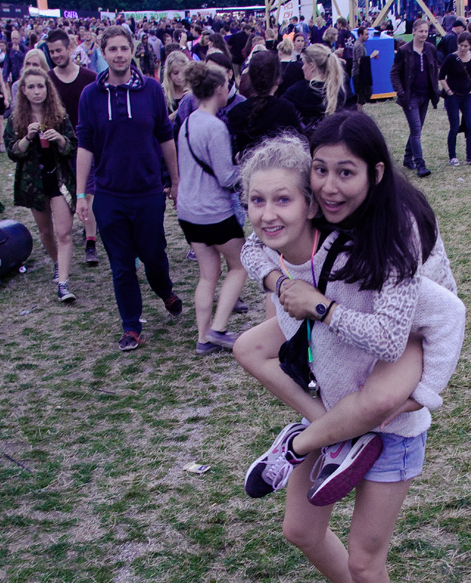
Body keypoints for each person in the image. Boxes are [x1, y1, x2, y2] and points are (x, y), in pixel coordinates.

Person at [236, 121, 464, 582]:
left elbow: (430, 319)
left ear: (374, 173)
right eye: (321, 170)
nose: (330, 186)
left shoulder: (385, 241)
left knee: (365, 559)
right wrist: (282, 285)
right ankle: (333, 432)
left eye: (345, 172)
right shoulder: (308, 238)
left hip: (406, 344)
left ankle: (300, 444)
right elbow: (253, 248)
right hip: (345, 375)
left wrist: (425, 394)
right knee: (300, 530)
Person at [75, 25, 183, 352]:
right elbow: (84, 145)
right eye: (113, 49)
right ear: (103, 53)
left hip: (148, 192)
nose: (119, 55)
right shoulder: (90, 95)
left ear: (132, 51)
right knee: (121, 266)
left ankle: (165, 291)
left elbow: (165, 138)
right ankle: (131, 326)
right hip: (109, 195)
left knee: (153, 256)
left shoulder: (151, 89)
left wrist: (175, 181)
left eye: (124, 48)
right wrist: (80, 194)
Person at [175, 61, 246, 355]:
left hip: (188, 211)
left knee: (208, 275)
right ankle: (218, 329)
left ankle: (203, 338)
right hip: (214, 211)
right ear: (218, 89)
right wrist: (245, 168)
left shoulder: (187, 122)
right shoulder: (215, 127)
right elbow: (226, 177)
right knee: (240, 265)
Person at [4, 67, 78, 302]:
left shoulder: (59, 116)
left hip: (59, 180)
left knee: (63, 232)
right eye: (32, 87)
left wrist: (60, 139)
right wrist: (27, 138)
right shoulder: (16, 120)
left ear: (48, 89)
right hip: (34, 184)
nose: (37, 91)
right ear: (24, 91)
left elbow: (72, 146)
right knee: (46, 231)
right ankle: (57, 262)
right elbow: (12, 152)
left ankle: (63, 284)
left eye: (41, 86)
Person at [47, 29, 100, 267]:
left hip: (86, 145)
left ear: (70, 48)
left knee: (87, 193)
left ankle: (90, 242)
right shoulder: (48, 80)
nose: (56, 55)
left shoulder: (89, 77)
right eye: (51, 52)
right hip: (58, 146)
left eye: (59, 50)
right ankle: (66, 234)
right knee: (62, 193)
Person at [227, 49, 302, 161]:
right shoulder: (286, 110)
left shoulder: (236, 113)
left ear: (250, 78)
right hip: (278, 169)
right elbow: (299, 147)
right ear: (278, 79)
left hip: (247, 170)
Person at [389, 18, 437, 178]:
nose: (424, 34)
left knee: (417, 129)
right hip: (411, 97)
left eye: (426, 31)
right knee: (416, 130)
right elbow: (394, 72)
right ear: (414, 31)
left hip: (425, 95)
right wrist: (401, 93)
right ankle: (420, 164)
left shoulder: (430, 49)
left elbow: (434, 70)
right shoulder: (404, 51)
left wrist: (436, 90)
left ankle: (407, 158)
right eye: (421, 31)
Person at [284, 42, 345, 134]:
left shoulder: (295, 92)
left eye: (304, 63)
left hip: (300, 140)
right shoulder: (338, 91)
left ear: (311, 66)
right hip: (328, 140)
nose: (302, 67)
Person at [439, 31, 471, 167]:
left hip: (467, 95)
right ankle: (452, 156)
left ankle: (470, 156)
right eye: (461, 45)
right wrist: (448, 91)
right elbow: (441, 76)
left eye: (466, 46)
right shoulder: (451, 58)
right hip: (453, 96)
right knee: (454, 126)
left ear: (470, 46)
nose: (463, 48)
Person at [351, 27, 377, 112]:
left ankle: (358, 112)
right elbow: (360, 61)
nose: (368, 36)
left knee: (365, 93)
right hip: (358, 73)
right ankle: (358, 113)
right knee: (361, 95)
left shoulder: (361, 44)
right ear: (360, 35)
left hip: (360, 73)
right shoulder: (359, 45)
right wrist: (371, 56)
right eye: (366, 34)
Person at [162, 49, 190, 120]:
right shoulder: (162, 94)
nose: (180, 77)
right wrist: (180, 109)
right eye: (175, 73)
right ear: (168, 74)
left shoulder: (193, 92)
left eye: (183, 72)